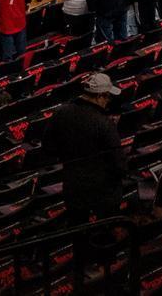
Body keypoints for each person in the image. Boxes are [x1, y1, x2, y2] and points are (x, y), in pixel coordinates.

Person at [38, 74, 128, 219]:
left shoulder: (61, 112)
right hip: (104, 189)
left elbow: (48, 148)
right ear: (100, 96)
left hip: (73, 184)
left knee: (78, 230)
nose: (108, 101)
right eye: (108, 97)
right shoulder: (104, 123)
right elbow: (118, 163)